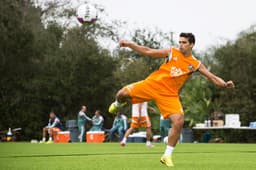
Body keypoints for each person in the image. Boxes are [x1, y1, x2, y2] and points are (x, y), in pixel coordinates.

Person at [108, 33, 235, 167]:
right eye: (179, 42)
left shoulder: (195, 64)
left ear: (192, 44)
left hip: (169, 95)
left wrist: (224, 84)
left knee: (179, 120)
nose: (180, 45)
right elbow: (148, 51)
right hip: (151, 85)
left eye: (184, 42)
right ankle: (118, 103)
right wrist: (129, 44)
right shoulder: (172, 52)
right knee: (121, 93)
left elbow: (213, 77)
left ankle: (167, 155)